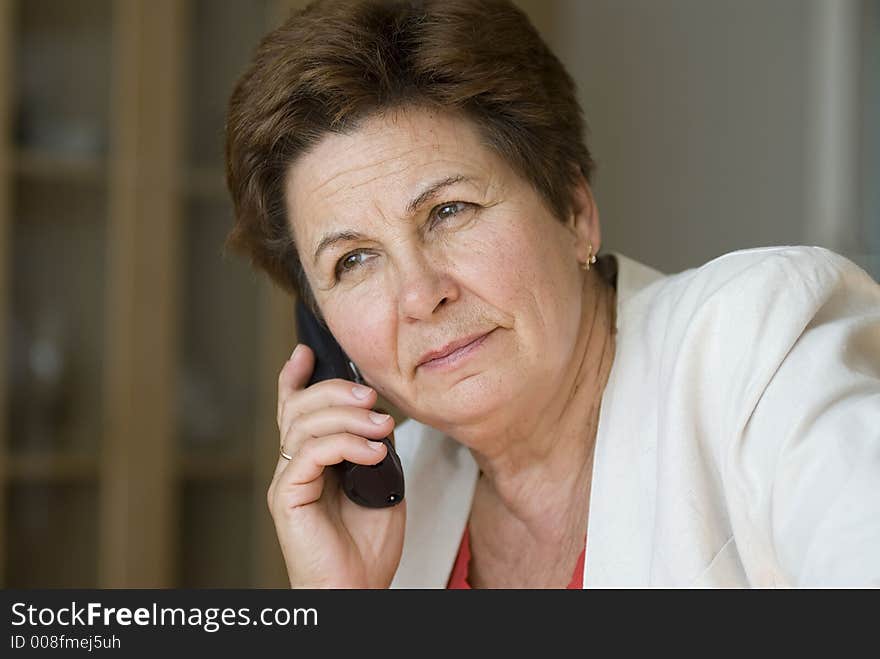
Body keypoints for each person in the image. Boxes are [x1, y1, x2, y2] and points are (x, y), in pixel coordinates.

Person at [224, 0, 880, 588]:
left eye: (449, 211)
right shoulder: (394, 498)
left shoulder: (759, 352)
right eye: (354, 260)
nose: (421, 296)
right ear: (321, 323)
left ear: (573, 210)